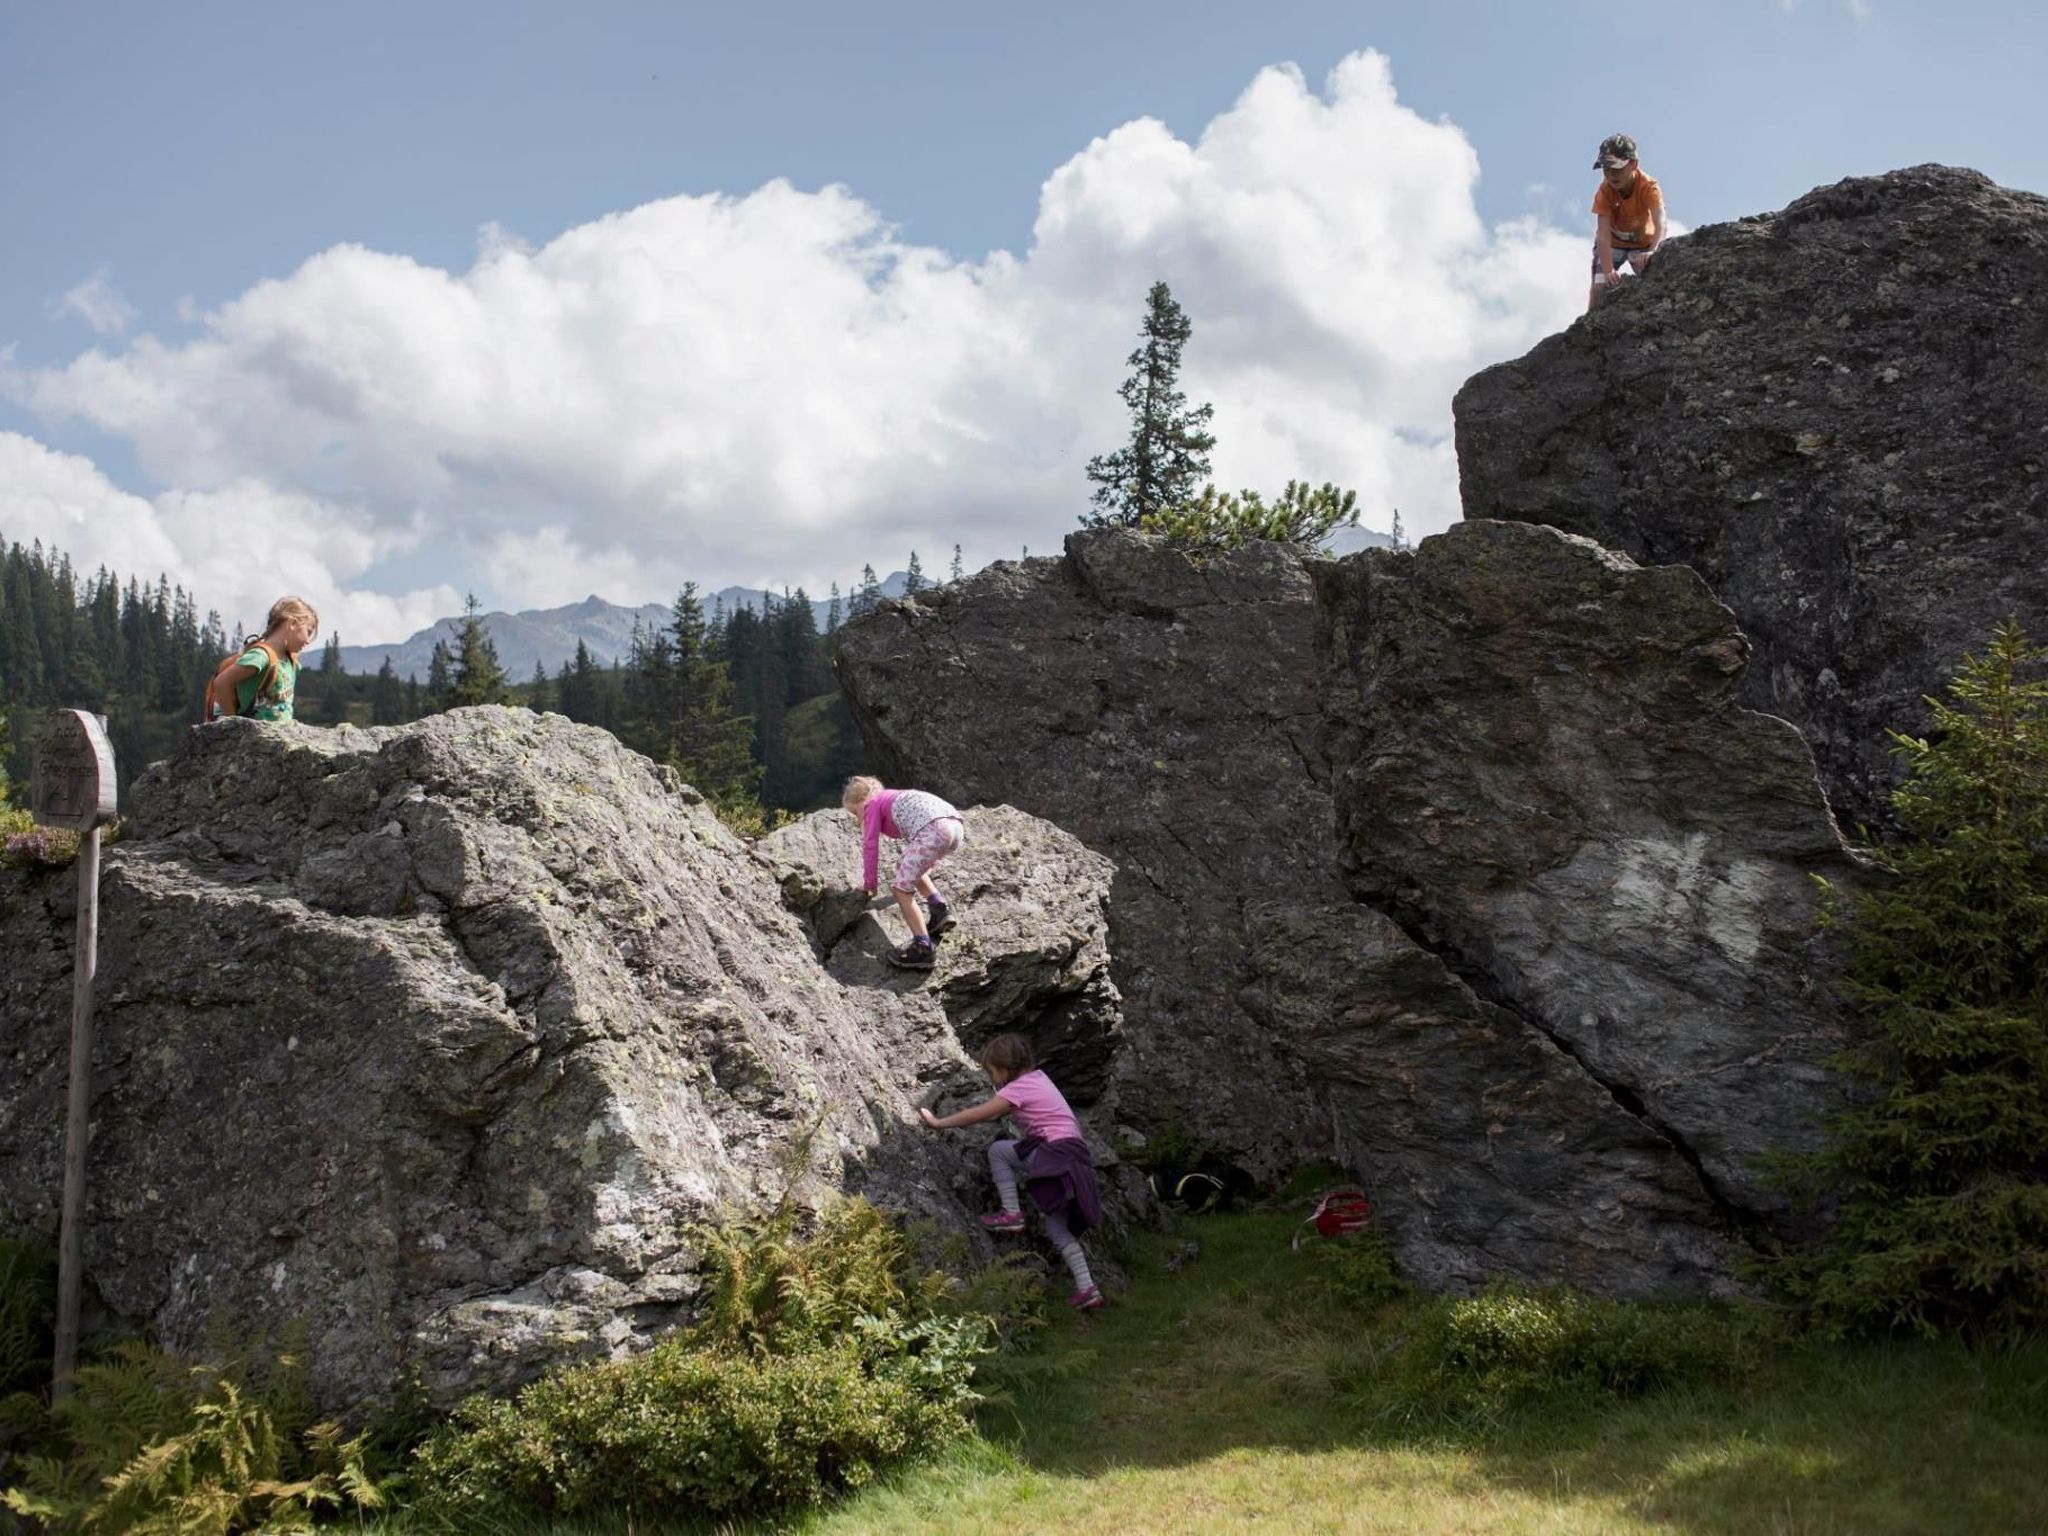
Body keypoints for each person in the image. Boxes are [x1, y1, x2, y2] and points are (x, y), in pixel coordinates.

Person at [920, 1033, 1105, 1310]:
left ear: (1005, 1069)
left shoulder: (1017, 1088)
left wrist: (938, 1123)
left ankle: (1011, 1213)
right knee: (1058, 1228)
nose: (992, 1078)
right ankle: (1087, 1288)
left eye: (992, 1071)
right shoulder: (1040, 1079)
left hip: (1057, 1153)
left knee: (999, 1151)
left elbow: (981, 1114)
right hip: (1076, 1156)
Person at [843, 774, 965, 971]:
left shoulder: (872, 804)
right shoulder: (891, 798)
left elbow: (870, 845)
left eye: (855, 812)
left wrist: (869, 885)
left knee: (900, 889)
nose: (858, 819)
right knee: (904, 866)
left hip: (934, 829)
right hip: (954, 825)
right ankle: (939, 908)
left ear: (862, 800)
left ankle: (923, 948)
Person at [205, 596, 319, 723]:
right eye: (308, 632)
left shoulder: (291, 661)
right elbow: (221, 682)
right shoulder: (260, 657)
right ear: (292, 624)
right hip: (254, 735)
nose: (308, 641)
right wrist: (232, 723)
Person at [1588, 132, 1666, 311]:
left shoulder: (1648, 186)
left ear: (1633, 164)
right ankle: (1589, 323)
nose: (1611, 175)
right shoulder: (1605, 191)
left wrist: (1653, 250)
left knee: (1654, 281)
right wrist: (1608, 271)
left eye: (1617, 169)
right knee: (1600, 286)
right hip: (1613, 243)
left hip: (1642, 244)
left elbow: (1660, 221)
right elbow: (1603, 235)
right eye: (1606, 169)